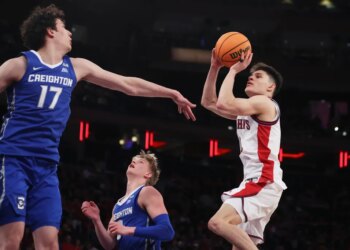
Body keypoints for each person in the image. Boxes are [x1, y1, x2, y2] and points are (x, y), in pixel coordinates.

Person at [0, 4, 195, 250]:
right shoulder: (19, 64)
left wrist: (170, 93)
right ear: (50, 31)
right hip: (14, 159)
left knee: (50, 242)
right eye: (64, 28)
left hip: (47, 166)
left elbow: (127, 84)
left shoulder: (77, 66)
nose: (70, 33)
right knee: (11, 239)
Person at [201, 50, 287, 249]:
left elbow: (224, 102)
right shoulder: (248, 109)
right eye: (251, 74)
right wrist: (215, 68)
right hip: (257, 181)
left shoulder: (265, 103)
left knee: (217, 222)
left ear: (270, 87)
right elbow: (209, 102)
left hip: (263, 180)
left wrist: (232, 71)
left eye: (258, 76)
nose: (251, 77)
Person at [81, 150, 174, 250]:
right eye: (133, 160)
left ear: (148, 174)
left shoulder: (147, 192)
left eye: (140, 162)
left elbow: (167, 231)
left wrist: (128, 230)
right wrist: (96, 220)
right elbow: (109, 245)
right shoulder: (118, 205)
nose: (133, 162)